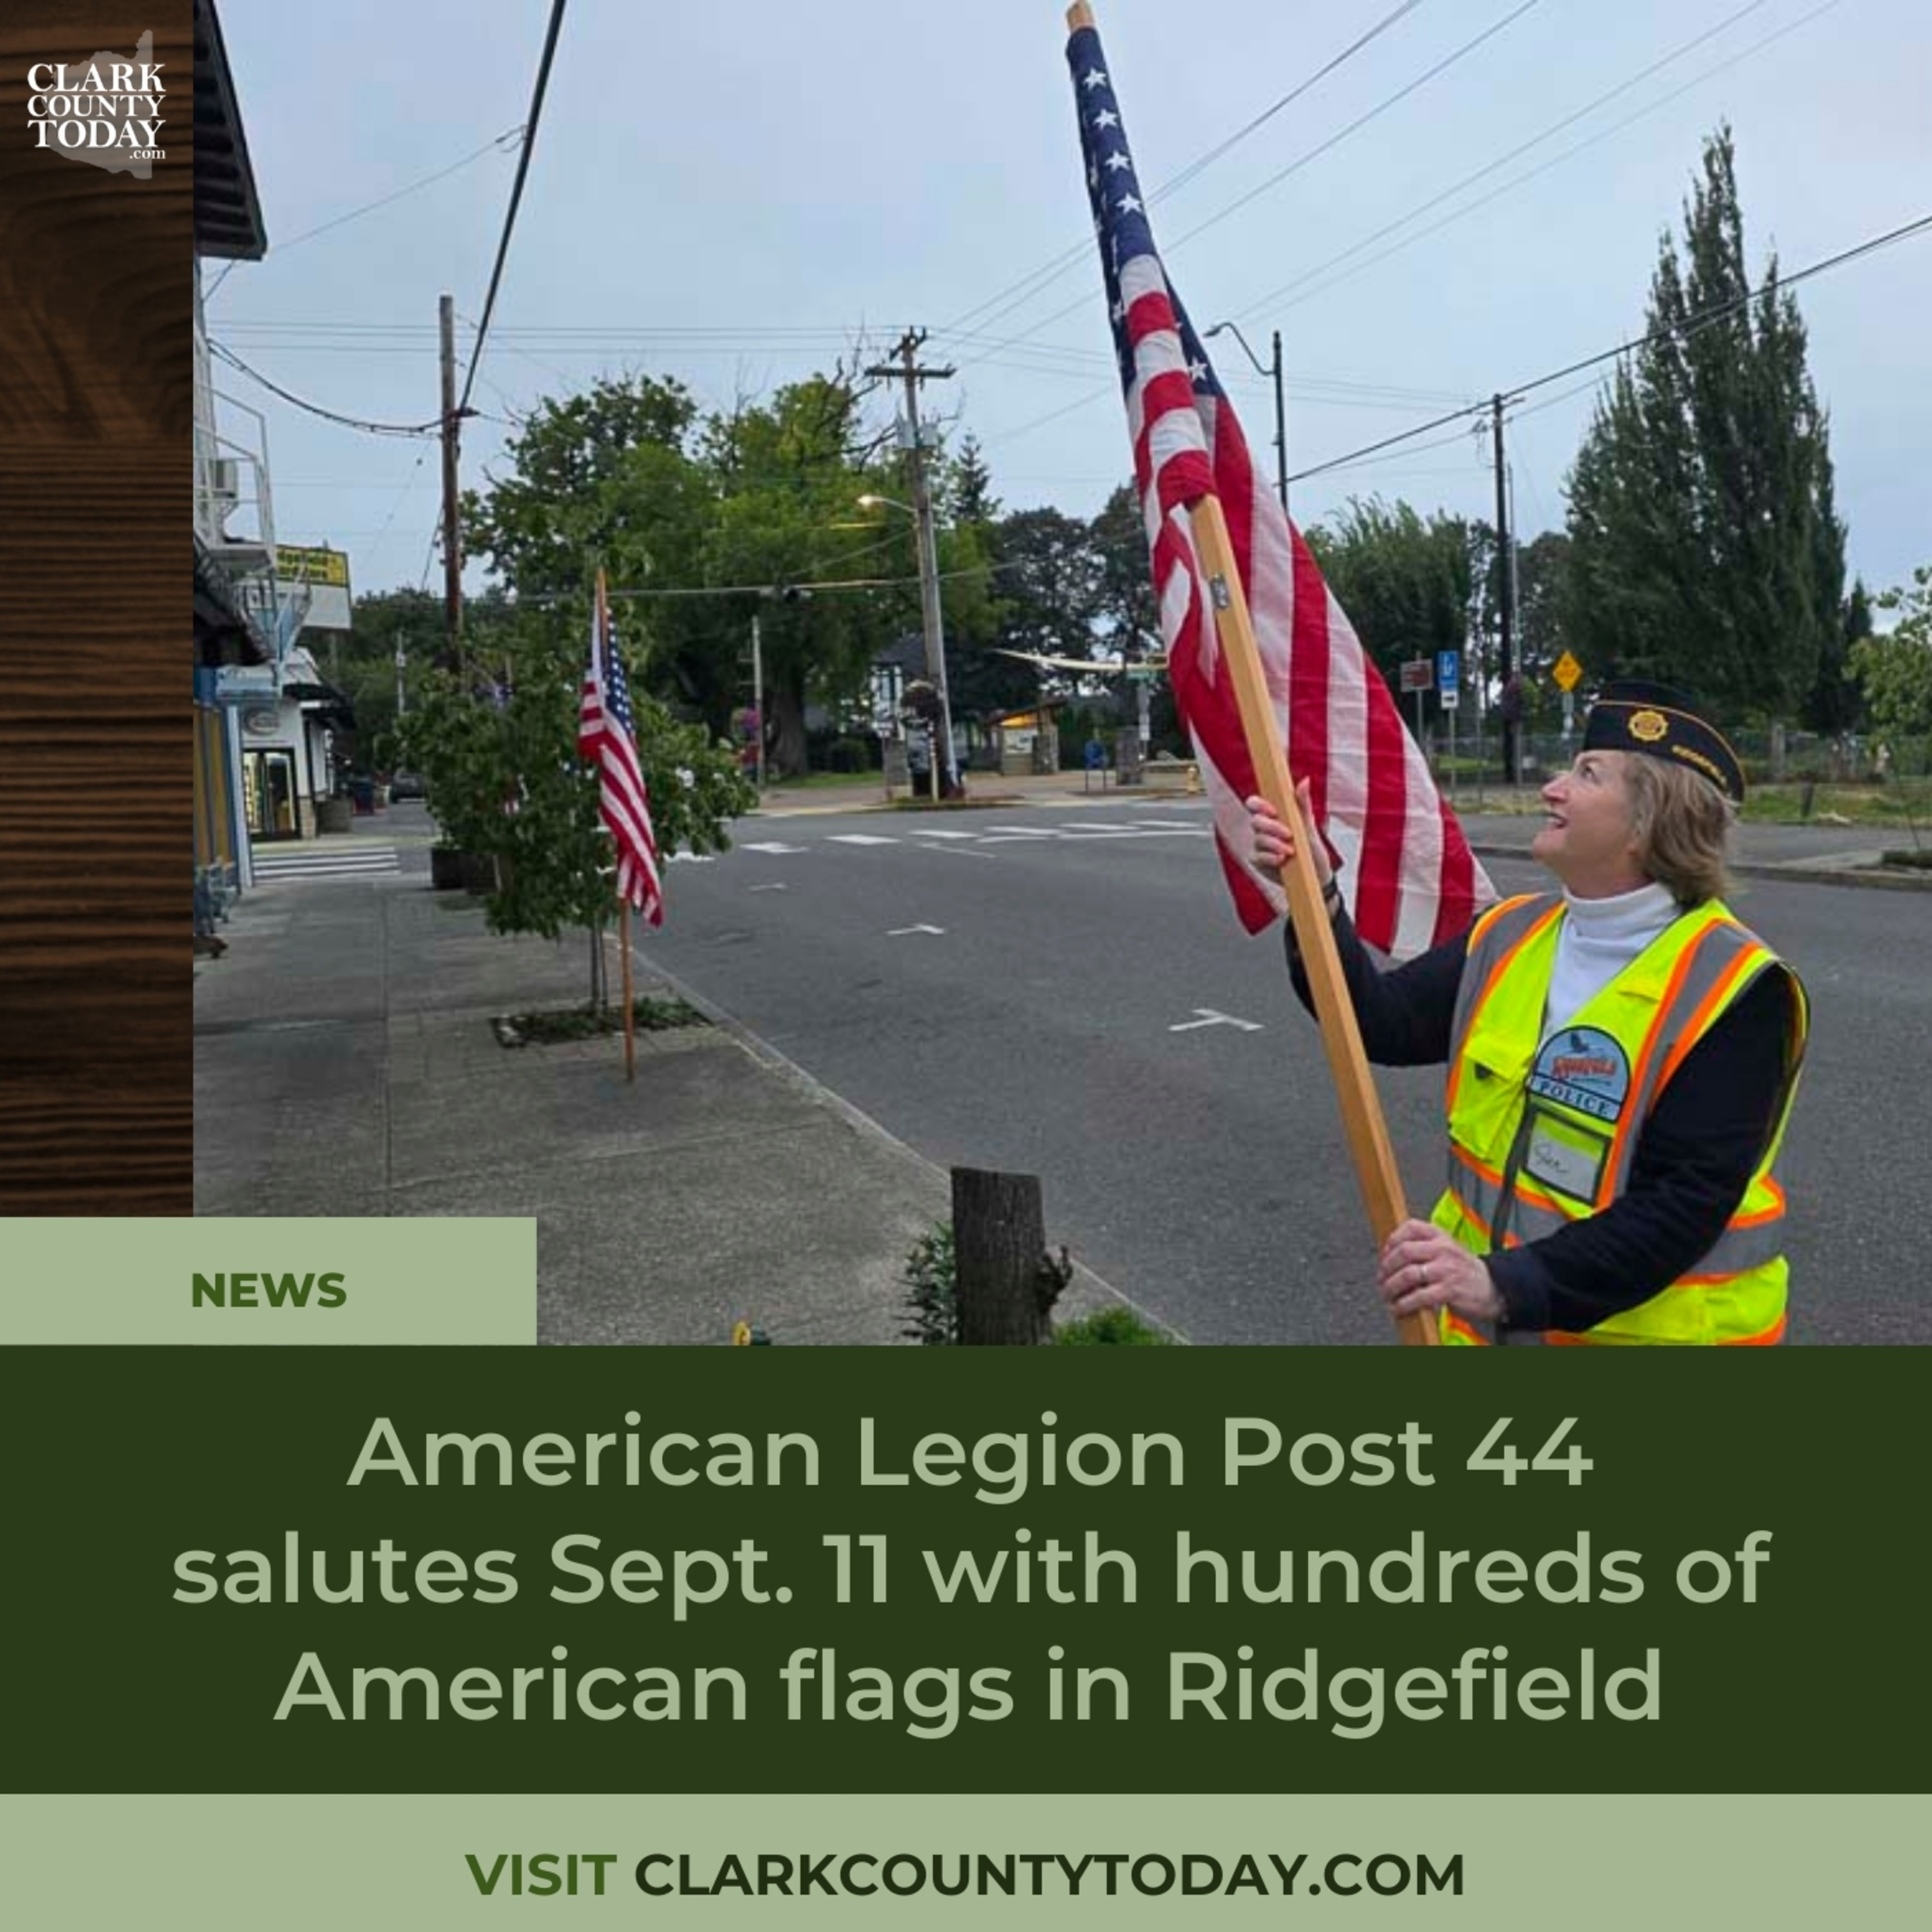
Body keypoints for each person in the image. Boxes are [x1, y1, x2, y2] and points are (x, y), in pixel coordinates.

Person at [1247, 681, 1808, 1346]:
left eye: (1587, 774)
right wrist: (1318, 898)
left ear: (1648, 823)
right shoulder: (1511, 933)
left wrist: (1503, 1284)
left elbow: (1681, 1205)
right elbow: (1380, 1021)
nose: (1553, 788)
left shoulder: (1739, 989)